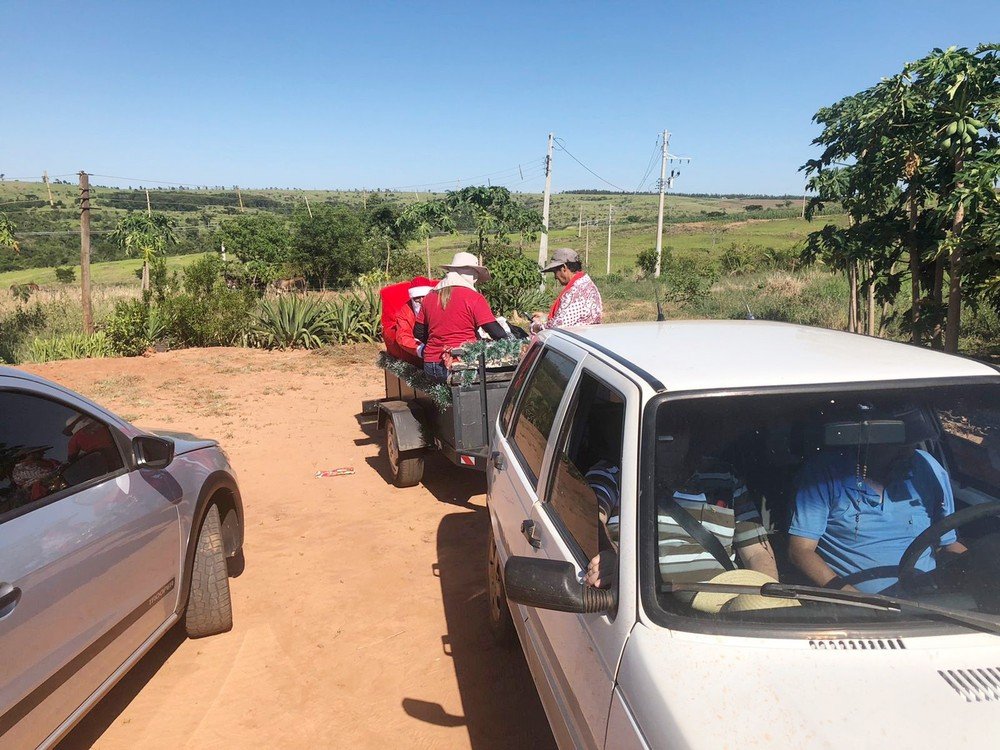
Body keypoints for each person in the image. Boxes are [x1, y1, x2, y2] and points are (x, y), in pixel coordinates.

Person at [789, 408, 966, 594]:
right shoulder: (823, 474)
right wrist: (854, 598)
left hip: (931, 600)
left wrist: (980, 566)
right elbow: (800, 551)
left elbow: (948, 543)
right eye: (901, 443)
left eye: (912, 443)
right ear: (869, 441)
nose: (909, 451)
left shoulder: (928, 467)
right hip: (859, 612)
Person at [584, 428, 778, 589]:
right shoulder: (613, 474)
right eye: (661, 432)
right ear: (641, 429)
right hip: (647, 605)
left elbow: (756, 552)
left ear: (691, 435)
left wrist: (769, 603)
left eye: (678, 430)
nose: (670, 439)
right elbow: (589, 518)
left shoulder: (724, 477)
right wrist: (614, 559)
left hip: (724, 601)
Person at [414, 252, 509, 383]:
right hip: (460, 363)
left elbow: (418, 332)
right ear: (471, 275)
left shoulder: (430, 297)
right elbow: (496, 332)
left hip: (431, 363)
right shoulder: (473, 297)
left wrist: (437, 343)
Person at [531, 248, 603, 333]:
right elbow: (572, 316)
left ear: (564, 268)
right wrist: (545, 317)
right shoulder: (587, 284)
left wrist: (535, 326)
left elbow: (557, 326)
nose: (555, 277)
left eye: (555, 272)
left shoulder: (575, 293)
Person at [384, 276, 434, 367]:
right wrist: (421, 350)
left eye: (425, 297)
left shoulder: (440, 307)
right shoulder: (405, 311)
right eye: (417, 298)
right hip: (415, 355)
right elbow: (403, 336)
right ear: (412, 298)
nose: (422, 301)